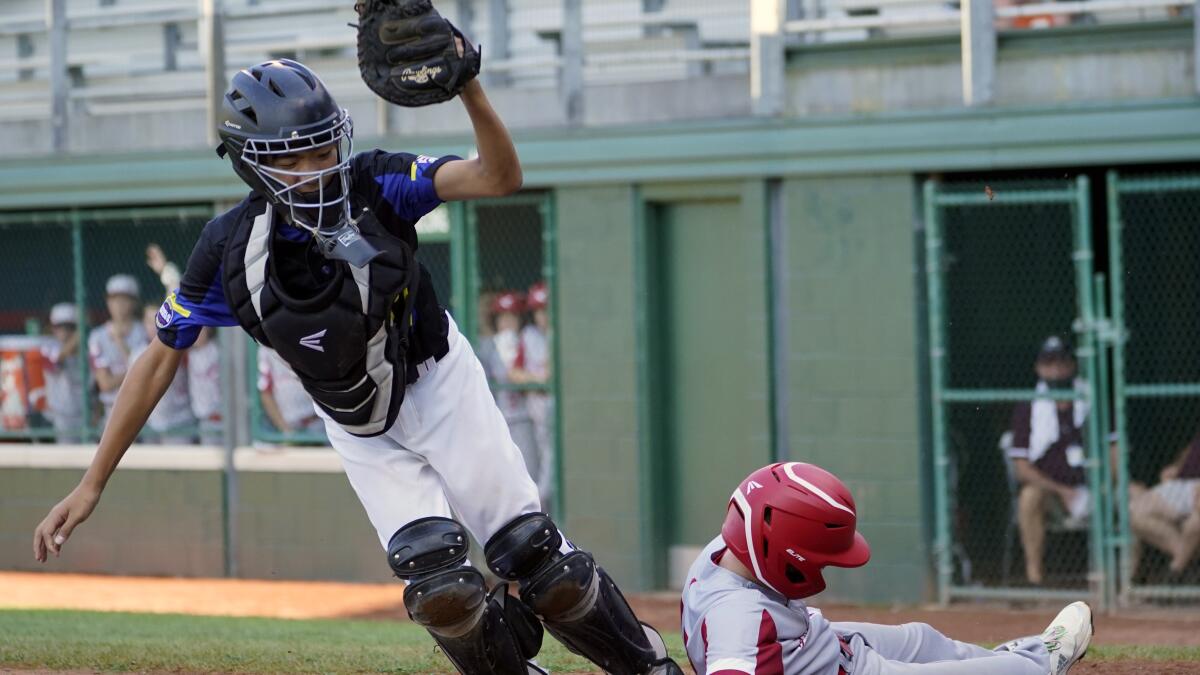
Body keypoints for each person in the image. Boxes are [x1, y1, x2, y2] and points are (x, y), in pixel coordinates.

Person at [32, 56, 681, 675]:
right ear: (253, 168)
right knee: (440, 586)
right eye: (294, 158)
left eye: (324, 149)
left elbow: (496, 178)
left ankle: (646, 663)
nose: (318, 168)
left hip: (438, 379)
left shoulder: (376, 183)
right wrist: (91, 483)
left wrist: (469, 90)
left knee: (538, 561)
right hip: (356, 418)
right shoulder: (230, 250)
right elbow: (157, 358)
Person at [681, 461, 1094, 675]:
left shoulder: (728, 550)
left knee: (922, 638)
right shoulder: (738, 619)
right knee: (1014, 671)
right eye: (822, 557)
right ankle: (1039, 660)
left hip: (820, 645)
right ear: (787, 559)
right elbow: (734, 656)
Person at [1007, 336, 1090, 585]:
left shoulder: (1092, 399)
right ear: (1039, 368)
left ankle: (1125, 583)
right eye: (1048, 362)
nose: (1055, 369)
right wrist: (1061, 490)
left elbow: (1113, 449)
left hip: (1094, 486)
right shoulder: (1028, 406)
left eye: (1061, 362)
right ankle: (1036, 578)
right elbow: (1021, 468)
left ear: (1072, 365)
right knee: (1029, 496)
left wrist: (1108, 483)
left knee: (1133, 495)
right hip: (1053, 493)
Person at [1130, 431, 1200, 578]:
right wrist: (1177, 466)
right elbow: (1192, 450)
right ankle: (1185, 560)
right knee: (1134, 512)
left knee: (1194, 525)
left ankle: (1175, 571)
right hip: (1183, 484)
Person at [510, 281, 554, 510]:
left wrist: (534, 377)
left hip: (552, 403)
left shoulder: (559, 333)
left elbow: (552, 374)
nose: (542, 315)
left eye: (546, 309)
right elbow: (514, 373)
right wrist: (536, 378)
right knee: (537, 458)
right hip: (534, 405)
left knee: (551, 456)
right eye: (538, 310)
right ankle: (541, 503)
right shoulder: (529, 335)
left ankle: (542, 503)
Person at [87, 274, 147, 427]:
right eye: (114, 299)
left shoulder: (145, 332)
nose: (119, 304)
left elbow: (148, 376)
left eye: (124, 299)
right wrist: (135, 372)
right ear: (108, 302)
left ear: (134, 302)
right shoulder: (97, 336)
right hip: (111, 410)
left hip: (144, 409)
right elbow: (105, 383)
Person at [132, 303, 194, 445]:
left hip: (180, 419)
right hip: (151, 421)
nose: (154, 325)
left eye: (158, 318)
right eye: (149, 321)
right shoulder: (138, 353)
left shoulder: (180, 346)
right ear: (143, 324)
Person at [41, 302, 85, 443]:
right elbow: (55, 362)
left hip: (85, 414)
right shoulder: (47, 346)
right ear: (52, 328)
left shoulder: (85, 350)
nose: (65, 331)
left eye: (70, 327)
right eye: (60, 327)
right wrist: (79, 336)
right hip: (60, 415)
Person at [257, 346, 323, 438]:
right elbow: (266, 392)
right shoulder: (265, 348)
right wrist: (285, 429)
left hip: (318, 422)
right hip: (289, 424)